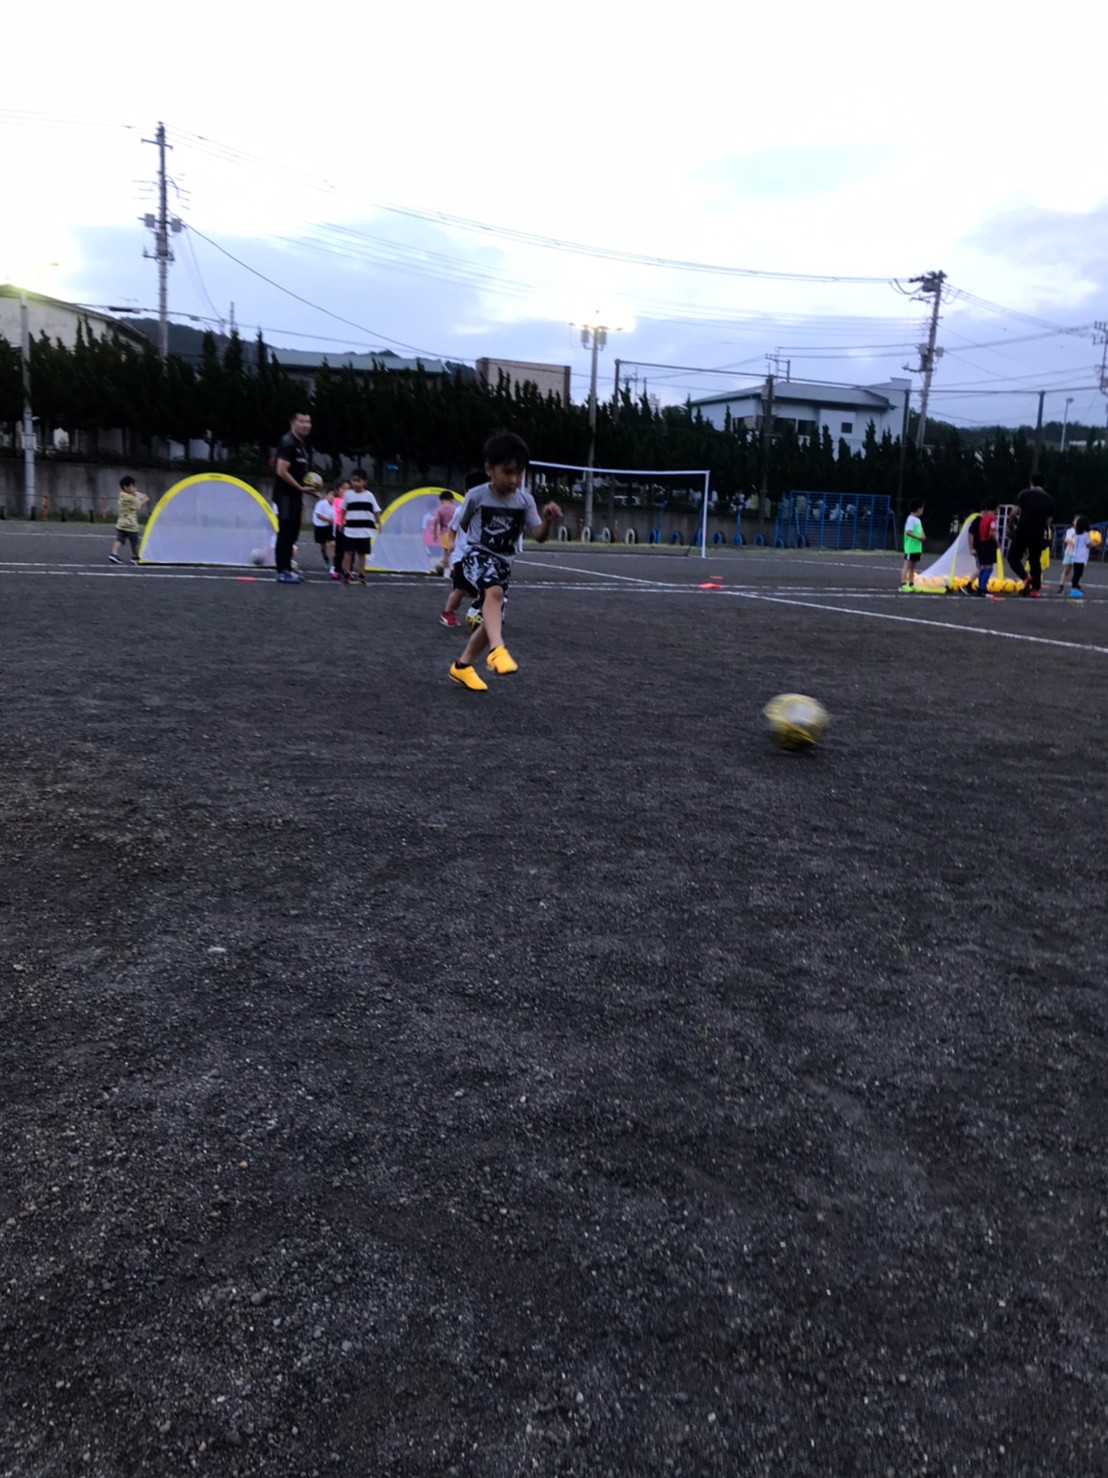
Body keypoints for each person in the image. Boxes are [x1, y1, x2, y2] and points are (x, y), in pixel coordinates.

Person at [448, 431, 562, 691]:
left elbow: (538, 536)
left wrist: (547, 521)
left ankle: (462, 667)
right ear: (490, 469)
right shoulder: (476, 496)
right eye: (507, 472)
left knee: (492, 620)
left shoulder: (525, 501)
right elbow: (463, 524)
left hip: (503, 565)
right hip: (476, 556)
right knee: (495, 593)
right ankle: (497, 650)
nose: (514, 480)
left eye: (519, 473)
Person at [272, 410, 314, 583]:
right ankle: (282, 571)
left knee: (293, 532)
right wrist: (300, 488)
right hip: (285, 495)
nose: (306, 425)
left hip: (295, 494)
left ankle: (288, 568)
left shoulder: (300, 444)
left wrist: (310, 487)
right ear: (292, 423)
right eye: (302, 421)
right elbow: (281, 471)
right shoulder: (288, 442)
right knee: (286, 532)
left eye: (308, 422)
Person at [439, 471, 483, 628]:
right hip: (461, 556)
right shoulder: (462, 510)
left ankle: (481, 612)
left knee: (480, 589)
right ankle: (447, 613)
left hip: (478, 557)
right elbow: (452, 528)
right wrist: (451, 543)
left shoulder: (486, 509)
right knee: (460, 588)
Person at [1006, 473, 1055, 597]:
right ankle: (1035, 590)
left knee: (1013, 558)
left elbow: (1013, 513)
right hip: (1037, 534)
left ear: (1031, 483)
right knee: (1034, 561)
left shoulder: (1024, 494)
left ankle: (1026, 577)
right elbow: (1048, 522)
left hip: (1023, 531)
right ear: (1044, 485)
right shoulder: (1050, 500)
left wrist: (1010, 526)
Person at [341, 469, 382, 584]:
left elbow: (376, 511)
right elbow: (343, 509)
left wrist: (379, 523)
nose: (355, 483)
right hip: (350, 529)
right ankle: (347, 573)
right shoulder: (348, 495)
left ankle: (361, 574)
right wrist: (341, 522)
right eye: (353, 480)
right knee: (348, 552)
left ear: (365, 482)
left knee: (362, 553)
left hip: (365, 530)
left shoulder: (369, 496)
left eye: (358, 481)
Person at [961, 498, 999, 599]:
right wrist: (997, 542)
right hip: (988, 545)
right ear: (996, 508)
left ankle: (980, 588)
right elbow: (991, 533)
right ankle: (981, 588)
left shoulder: (983, 518)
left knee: (982, 567)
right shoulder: (991, 518)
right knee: (988, 568)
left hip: (982, 545)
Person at [109, 476, 149, 564]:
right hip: (130, 524)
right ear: (126, 487)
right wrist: (144, 500)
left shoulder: (122, 495)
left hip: (121, 523)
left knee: (119, 540)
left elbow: (135, 494)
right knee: (134, 542)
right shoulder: (130, 498)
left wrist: (137, 493)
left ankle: (114, 553)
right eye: (133, 486)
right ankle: (135, 557)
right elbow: (138, 505)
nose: (135, 488)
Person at [900, 500, 925, 591]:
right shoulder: (910, 519)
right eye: (922, 509)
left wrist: (923, 536)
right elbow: (908, 532)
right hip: (910, 547)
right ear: (918, 509)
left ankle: (911, 583)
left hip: (917, 547)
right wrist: (918, 538)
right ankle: (903, 584)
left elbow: (921, 530)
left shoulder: (918, 520)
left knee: (913, 567)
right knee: (907, 565)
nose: (922, 511)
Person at [431, 490, 457, 577]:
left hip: (445, 532)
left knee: (446, 554)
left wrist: (434, 533)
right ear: (451, 499)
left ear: (442, 499)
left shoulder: (440, 510)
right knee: (456, 553)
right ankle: (455, 571)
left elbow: (436, 521)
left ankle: (447, 572)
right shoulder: (455, 509)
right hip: (455, 532)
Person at [311, 486, 336, 572]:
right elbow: (318, 515)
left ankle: (335, 564)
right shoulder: (321, 503)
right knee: (323, 547)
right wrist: (328, 519)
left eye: (334, 495)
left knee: (333, 544)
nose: (332, 497)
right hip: (320, 527)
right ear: (326, 495)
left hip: (329, 527)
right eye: (331, 494)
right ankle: (326, 559)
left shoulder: (335, 505)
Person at [330, 477, 350, 581]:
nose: (346, 491)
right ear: (338, 490)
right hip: (339, 526)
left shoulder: (351, 500)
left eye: (348, 489)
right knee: (339, 550)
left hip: (350, 526)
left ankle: (348, 569)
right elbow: (341, 509)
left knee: (349, 550)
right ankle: (337, 570)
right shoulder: (337, 500)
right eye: (343, 488)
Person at [1069, 515, 1091, 599]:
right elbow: (1088, 545)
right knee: (1078, 574)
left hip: (1075, 556)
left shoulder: (1076, 534)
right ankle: (1074, 588)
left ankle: (1075, 587)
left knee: (1076, 573)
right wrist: (1095, 543)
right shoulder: (1086, 535)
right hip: (1081, 557)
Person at [1056, 516, 1077, 596]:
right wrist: (1076, 544)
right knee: (1066, 571)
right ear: (1073, 522)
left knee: (1077, 572)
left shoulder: (1082, 532)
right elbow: (1067, 540)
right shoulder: (1070, 531)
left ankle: (1075, 587)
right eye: (1076, 521)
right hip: (1070, 552)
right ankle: (1061, 586)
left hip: (1077, 555)